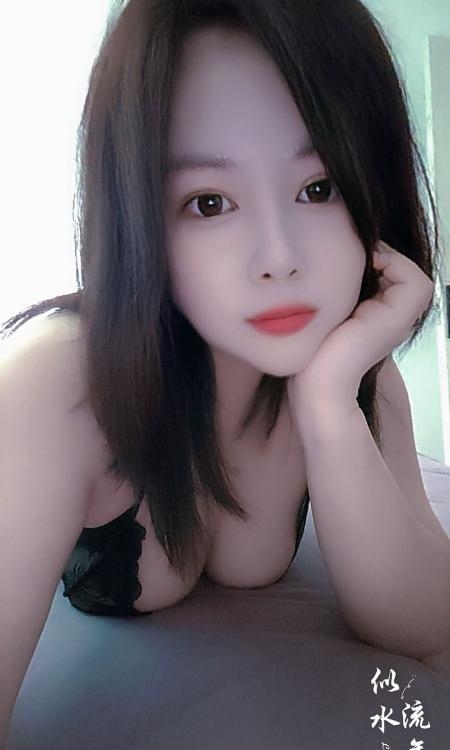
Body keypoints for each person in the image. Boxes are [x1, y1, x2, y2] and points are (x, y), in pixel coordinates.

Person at [1, 0, 450, 744]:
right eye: (209, 203)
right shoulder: (55, 386)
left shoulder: (356, 376)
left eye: (319, 188)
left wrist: (328, 404)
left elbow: (425, 618)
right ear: (141, 217)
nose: (278, 257)